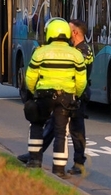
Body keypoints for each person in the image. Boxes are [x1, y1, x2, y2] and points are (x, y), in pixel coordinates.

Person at [17, 19, 94, 174]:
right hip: (68, 94)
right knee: (54, 126)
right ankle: (35, 154)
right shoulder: (73, 50)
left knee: (76, 129)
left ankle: (79, 162)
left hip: (77, 95)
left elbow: (81, 77)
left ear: (74, 32)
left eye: (68, 29)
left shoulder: (84, 51)